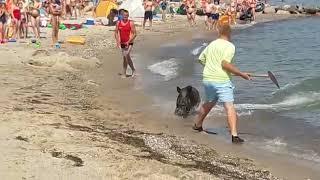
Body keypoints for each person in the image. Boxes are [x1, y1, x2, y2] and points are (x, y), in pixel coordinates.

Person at [193, 23, 251, 144]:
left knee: (209, 103)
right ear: (229, 33)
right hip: (221, 80)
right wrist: (241, 74)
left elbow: (201, 59)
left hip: (208, 79)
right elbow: (225, 64)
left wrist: (212, 68)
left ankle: (197, 125)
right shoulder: (230, 46)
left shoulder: (212, 44)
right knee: (229, 106)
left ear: (219, 32)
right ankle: (234, 135)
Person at [114, 10, 137, 78]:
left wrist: (129, 41)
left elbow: (135, 34)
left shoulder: (131, 23)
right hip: (122, 43)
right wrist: (118, 42)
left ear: (128, 16)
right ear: (122, 15)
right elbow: (115, 32)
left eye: (127, 16)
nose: (125, 17)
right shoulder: (118, 23)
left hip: (129, 42)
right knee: (125, 57)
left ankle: (126, 72)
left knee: (126, 55)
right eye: (124, 16)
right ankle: (131, 70)